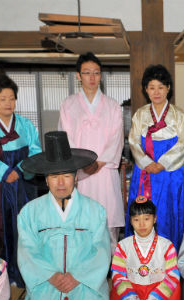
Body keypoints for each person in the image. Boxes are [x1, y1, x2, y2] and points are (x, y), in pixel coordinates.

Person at [13, 131, 117, 300]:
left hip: (84, 283)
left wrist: (77, 277)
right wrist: (52, 276)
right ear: (46, 179)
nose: (60, 182)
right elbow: (28, 251)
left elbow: (101, 251)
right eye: (54, 176)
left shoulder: (95, 210)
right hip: (46, 282)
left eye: (66, 176)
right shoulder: (30, 212)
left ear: (76, 177)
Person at [0, 74, 42, 287]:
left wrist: (21, 170)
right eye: (3, 99)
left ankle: (22, 275)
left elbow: (36, 151)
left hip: (22, 185)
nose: (8, 103)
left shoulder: (26, 125)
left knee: (22, 227)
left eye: (12, 98)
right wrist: (4, 172)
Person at [58, 52, 125, 251]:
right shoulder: (68, 105)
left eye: (96, 73)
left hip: (104, 172)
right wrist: (80, 165)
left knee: (108, 226)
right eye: (87, 73)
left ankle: (113, 274)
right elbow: (64, 139)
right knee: (81, 226)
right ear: (78, 76)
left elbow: (117, 138)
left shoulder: (113, 106)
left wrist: (100, 162)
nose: (92, 77)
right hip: (80, 173)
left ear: (101, 75)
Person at [126, 64, 184, 250]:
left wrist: (162, 163)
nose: (156, 92)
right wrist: (147, 163)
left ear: (168, 88)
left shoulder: (178, 115)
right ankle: (141, 256)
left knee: (170, 212)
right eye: (152, 87)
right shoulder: (140, 115)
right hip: (146, 172)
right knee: (145, 213)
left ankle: (171, 256)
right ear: (146, 89)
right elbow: (133, 142)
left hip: (171, 173)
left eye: (161, 87)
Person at [109, 197, 181, 300]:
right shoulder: (123, 246)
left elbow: (173, 276)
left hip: (159, 292)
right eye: (136, 220)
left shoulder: (166, 245)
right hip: (131, 290)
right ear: (130, 221)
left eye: (146, 219)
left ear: (155, 219)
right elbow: (117, 275)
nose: (142, 224)